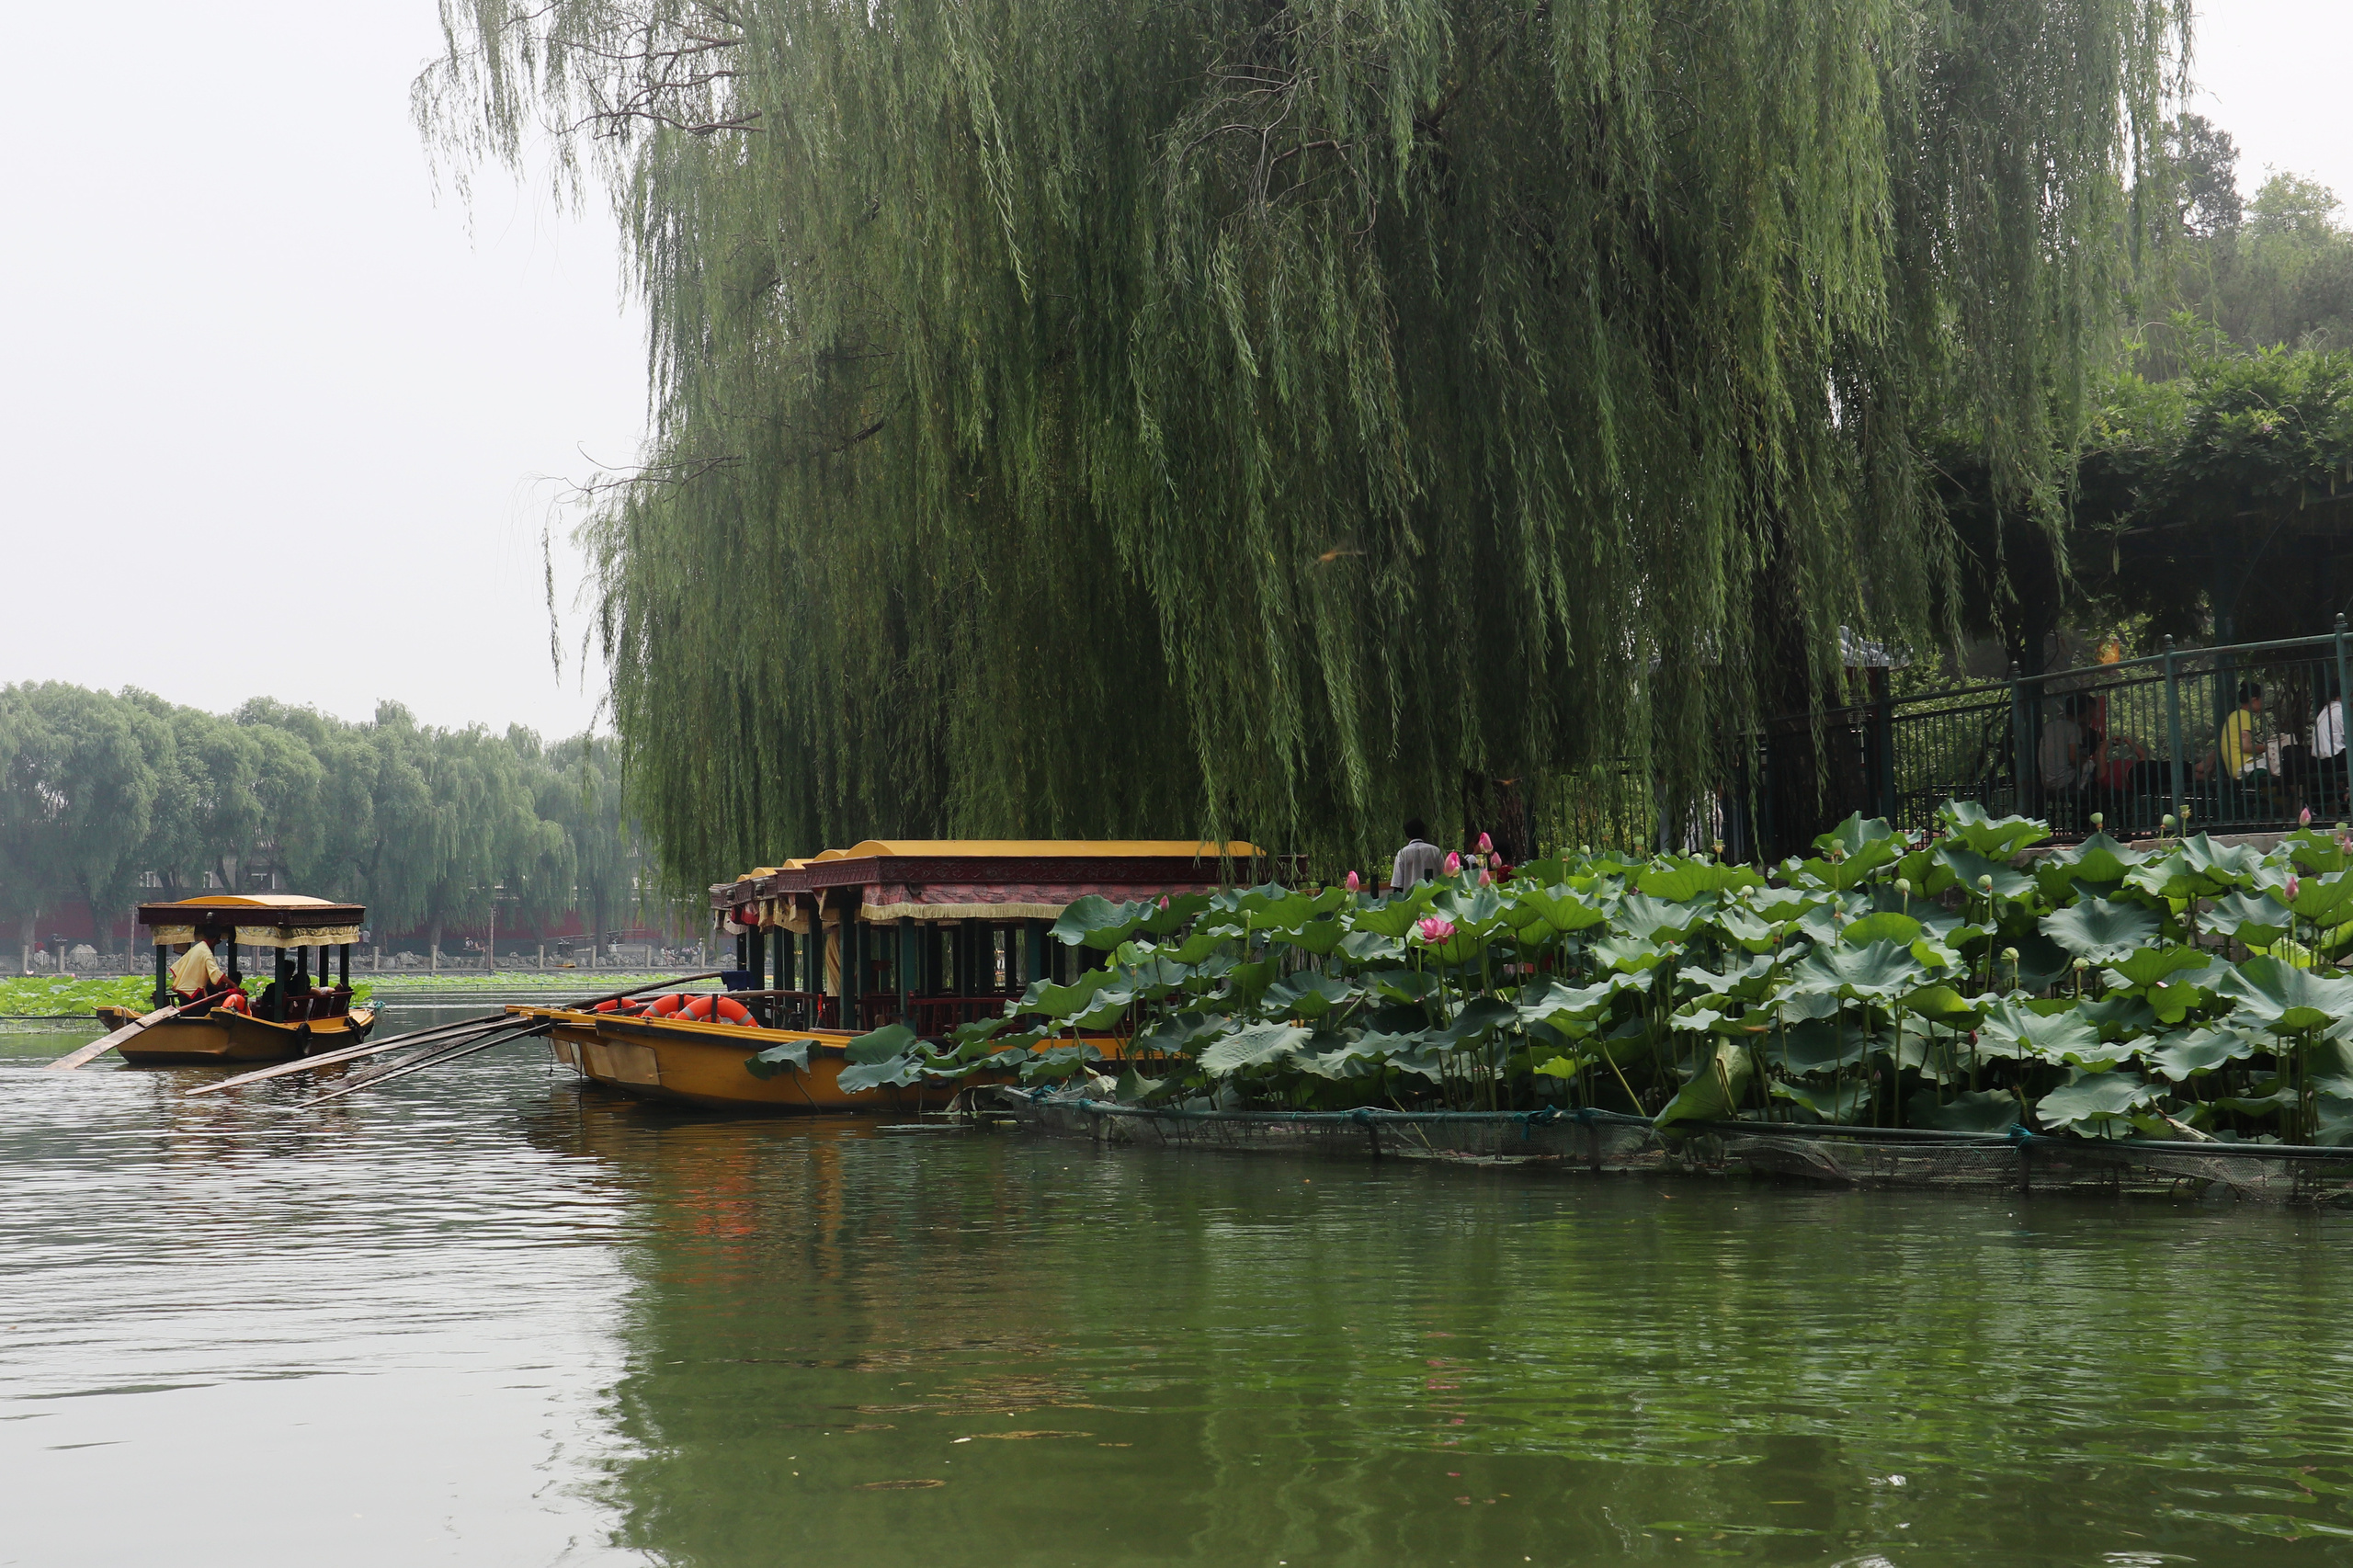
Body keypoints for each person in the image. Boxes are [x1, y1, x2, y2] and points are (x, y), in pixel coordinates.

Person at [1391, 819, 1445, 890]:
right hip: (1433, 897)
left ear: (1407, 834)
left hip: (1411, 898)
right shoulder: (1435, 851)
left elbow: (1398, 884)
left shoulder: (1402, 853)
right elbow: (1444, 877)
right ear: (1423, 833)